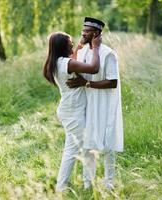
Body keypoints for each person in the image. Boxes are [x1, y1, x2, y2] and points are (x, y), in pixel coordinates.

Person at [67, 17, 124, 190]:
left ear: (97, 33)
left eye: (88, 30)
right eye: (83, 29)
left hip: (104, 104)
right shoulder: (83, 51)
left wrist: (86, 83)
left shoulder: (108, 54)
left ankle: (109, 184)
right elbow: (71, 63)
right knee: (87, 144)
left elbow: (112, 82)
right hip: (87, 103)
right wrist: (78, 45)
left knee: (107, 145)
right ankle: (87, 184)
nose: (83, 33)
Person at [43, 31, 102, 192]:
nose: (73, 44)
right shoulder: (67, 64)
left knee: (88, 147)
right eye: (70, 42)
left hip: (70, 110)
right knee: (72, 151)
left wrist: (82, 44)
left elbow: (73, 59)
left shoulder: (59, 62)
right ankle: (61, 188)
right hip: (72, 113)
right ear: (63, 46)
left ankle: (88, 184)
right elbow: (94, 68)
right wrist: (95, 47)